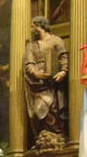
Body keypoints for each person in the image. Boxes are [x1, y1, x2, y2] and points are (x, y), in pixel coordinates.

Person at [24, 16, 68, 146]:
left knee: (54, 109)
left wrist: (63, 71)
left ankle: (56, 134)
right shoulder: (31, 45)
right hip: (37, 85)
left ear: (40, 26)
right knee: (38, 109)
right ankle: (43, 134)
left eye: (33, 26)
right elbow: (28, 63)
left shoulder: (56, 40)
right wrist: (35, 73)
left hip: (54, 83)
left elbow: (63, 57)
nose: (32, 29)